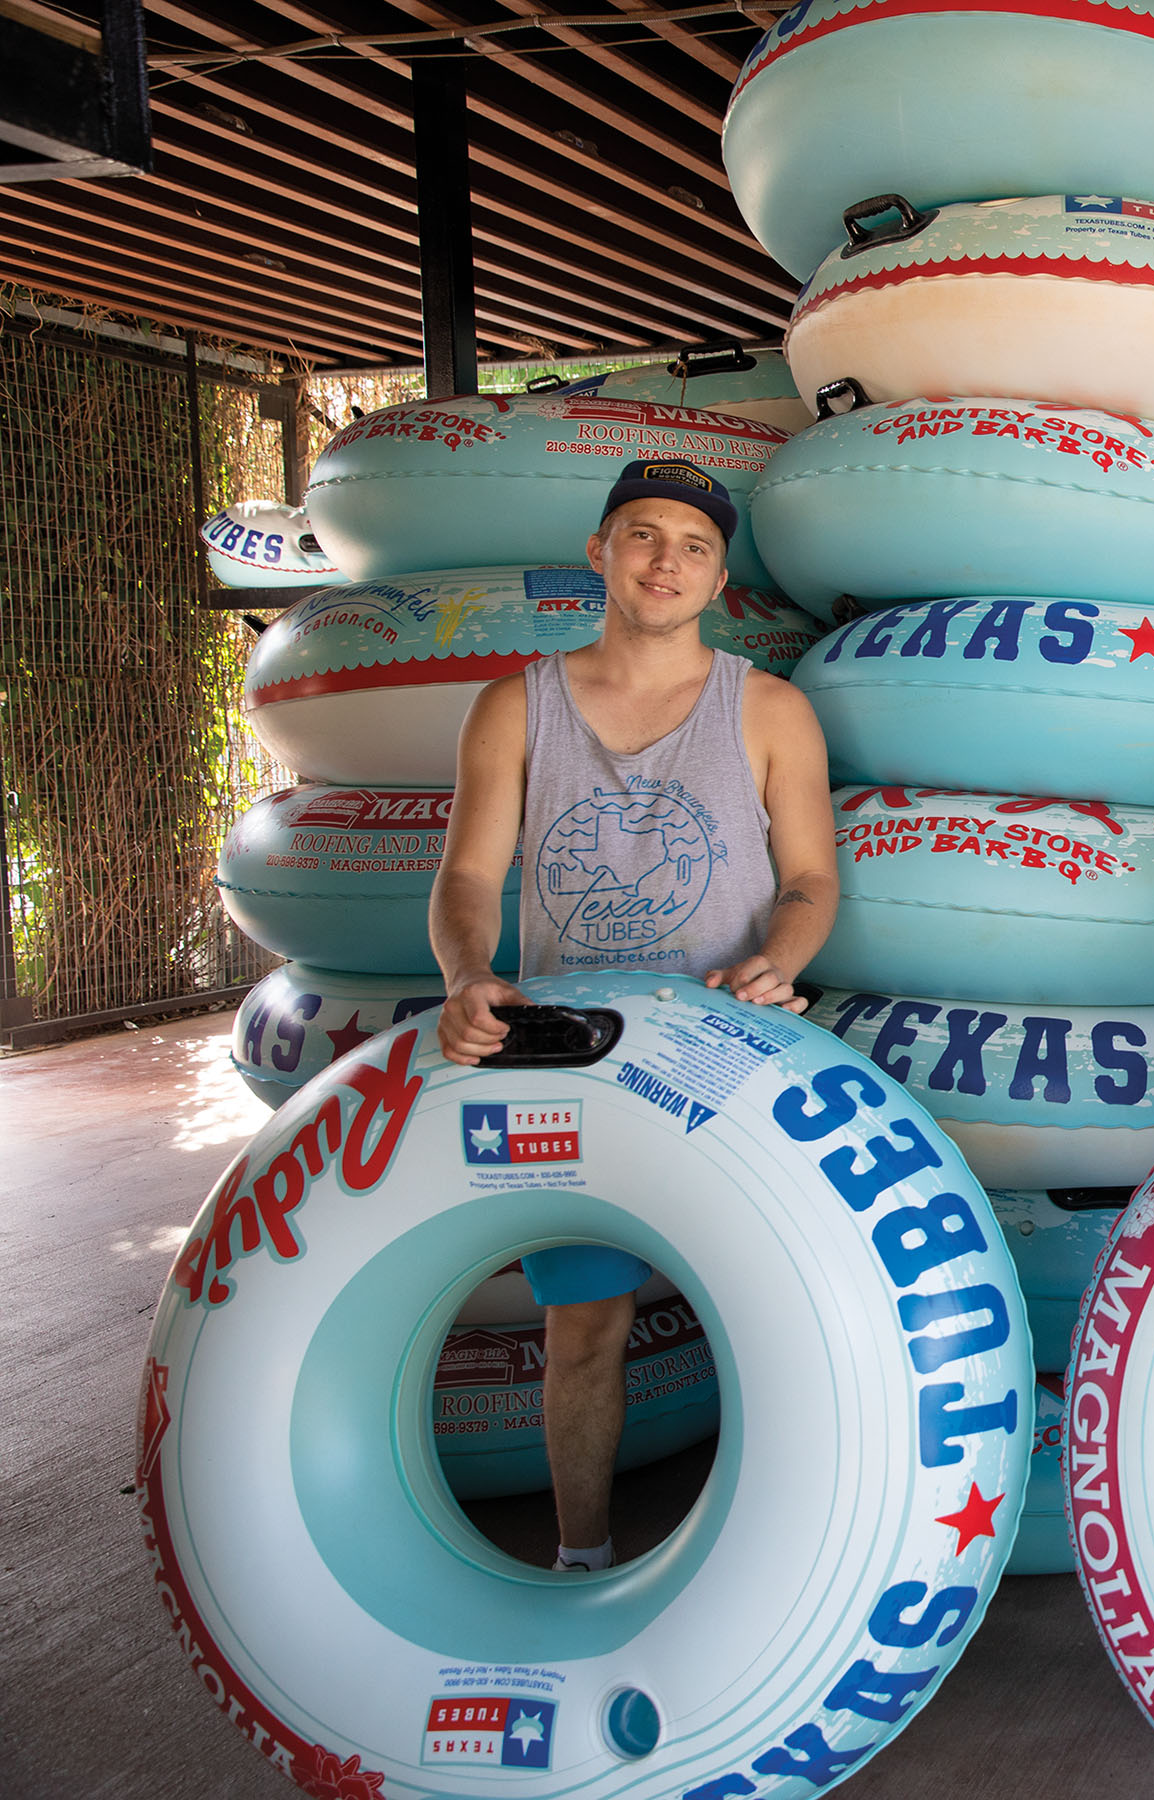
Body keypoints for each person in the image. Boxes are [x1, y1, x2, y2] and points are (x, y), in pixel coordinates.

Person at [430, 456, 839, 1573]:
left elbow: (810, 881)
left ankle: (789, 1562)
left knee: (782, 1315)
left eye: (695, 547)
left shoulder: (770, 709)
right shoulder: (516, 705)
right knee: (585, 1333)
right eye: (645, 535)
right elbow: (469, 879)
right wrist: (469, 977)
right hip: (574, 1065)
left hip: (729, 1055)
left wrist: (778, 960)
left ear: (720, 583)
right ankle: (583, 1558)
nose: (668, 561)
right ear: (600, 552)